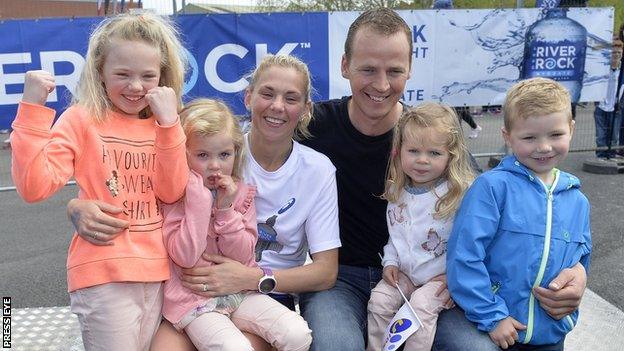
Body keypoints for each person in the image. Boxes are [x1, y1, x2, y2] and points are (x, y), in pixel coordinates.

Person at [296, 8, 589, 351]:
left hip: (434, 281)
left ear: (410, 70)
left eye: (394, 71)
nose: (381, 84)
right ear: (345, 65)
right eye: (367, 70)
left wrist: (578, 273)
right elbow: (245, 158)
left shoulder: (436, 138)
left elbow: (505, 216)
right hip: (341, 278)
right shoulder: (312, 126)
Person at [67, 54, 340, 351]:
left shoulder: (310, 169)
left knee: (275, 338)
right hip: (190, 294)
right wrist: (76, 205)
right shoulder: (214, 143)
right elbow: (129, 185)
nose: (276, 105)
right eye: (267, 93)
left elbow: (323, 271)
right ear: (248, 97)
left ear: (306, 109)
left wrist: (248, 275)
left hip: (260, 288)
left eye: (291, 98)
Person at [11, 13, 188, 350]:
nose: (136, 86)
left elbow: (172, 191)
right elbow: (35, 187)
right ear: (99, 72)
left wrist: (169, 125)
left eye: (148, 76)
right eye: (122, 74)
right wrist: (32, 108)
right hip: (103, 272)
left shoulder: (166, 123)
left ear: (163, 77)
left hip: (158, 273)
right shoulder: (81, 118)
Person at [447, 77, 592, 350]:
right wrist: (492, 316)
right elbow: (464, 257)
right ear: (507, 136)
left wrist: (577, 281)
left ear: (572, 129)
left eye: (556, 135)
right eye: (529, 137)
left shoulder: (578, 200)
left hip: (552, 334)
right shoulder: (491, 188)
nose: (544, 147)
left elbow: (581, 260)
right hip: (499, 329)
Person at [161, 98, 311, 351]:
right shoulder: (176, 197)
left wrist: (225, 209)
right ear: (182, 155)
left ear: (236, 152)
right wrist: (198, 204)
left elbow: (242, 255)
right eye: (202, 155)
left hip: (240, 294)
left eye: (224, 154)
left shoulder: (240, 192)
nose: (215, 165)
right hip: (193, 302)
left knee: (298, 334)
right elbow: (185, 256)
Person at [366, 103, 475, 351]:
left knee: (419, 310)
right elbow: (395, 237)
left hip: (440, 279)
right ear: (399, 151)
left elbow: (474, 242)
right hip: (404, 274)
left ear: (451, 155)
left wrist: (456, 275)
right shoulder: (397, 191)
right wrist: (390, 263)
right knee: (379, 301)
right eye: (413, 150)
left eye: (435, 153)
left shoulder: (458, 194)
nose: (422, 160)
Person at [593, 37, 622, 159]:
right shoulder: (601, 69)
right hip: (601, 106)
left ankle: (611, 156)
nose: (616, 55)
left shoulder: (622, 71)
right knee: (601, 134)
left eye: (619, 52)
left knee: (614, 135)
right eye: (614, 52)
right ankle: (600, 156)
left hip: (616, 107)